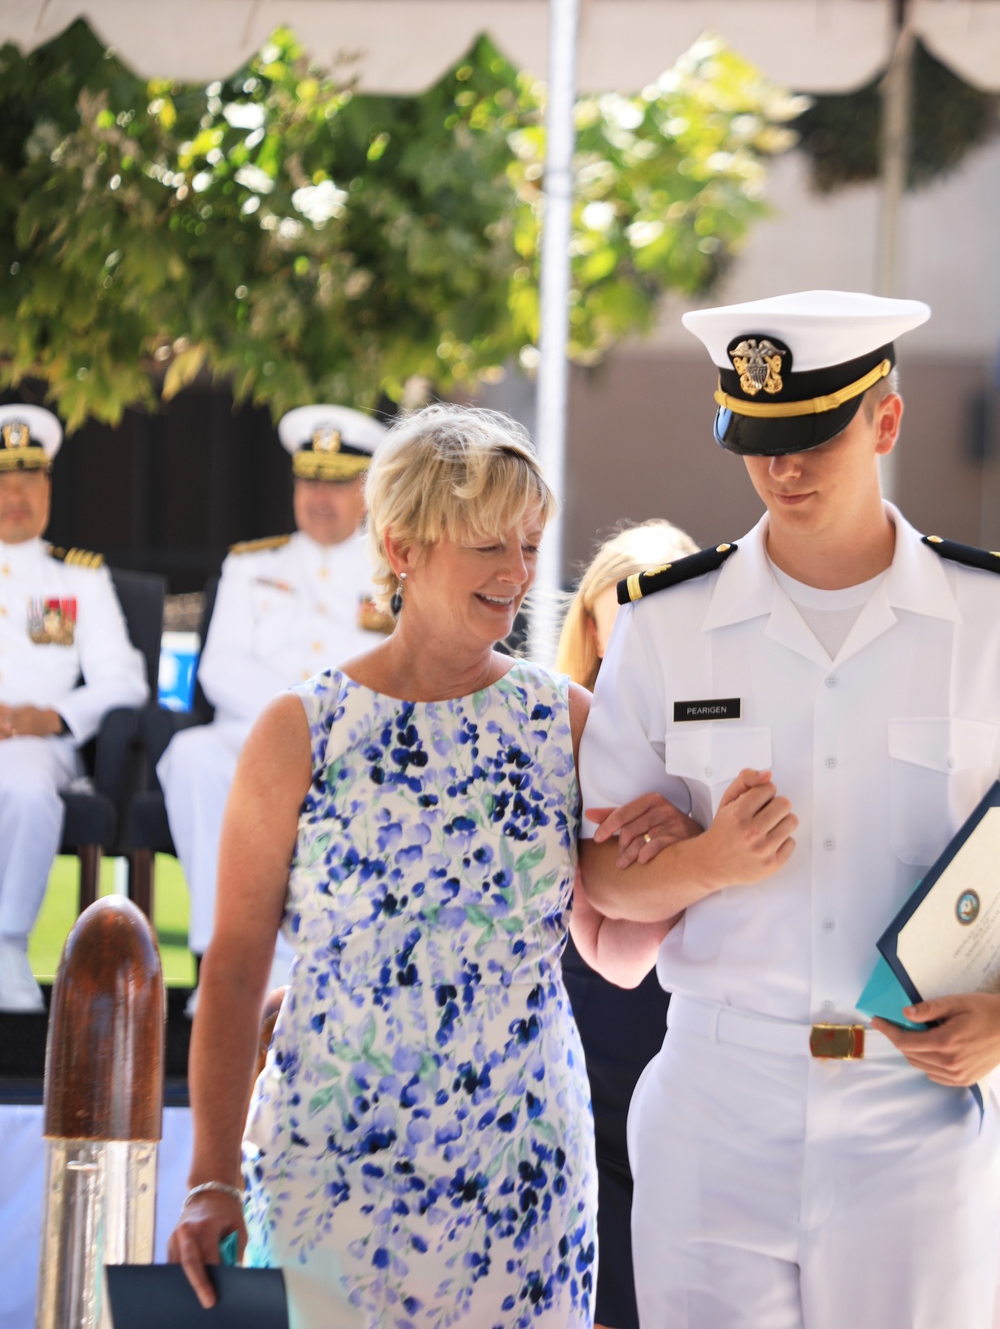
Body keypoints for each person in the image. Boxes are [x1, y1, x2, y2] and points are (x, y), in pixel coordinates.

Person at [578, 289, 1000, 1329]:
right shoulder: (667, 627)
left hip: (912, 1104)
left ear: (885, 422)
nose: (784, 469)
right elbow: (598, 879)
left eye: (813, 435)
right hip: (718, 1096)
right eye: (760, 441)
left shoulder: (985, 621)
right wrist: (709, 863)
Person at [168, 404, 602, 1327]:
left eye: (528, 545)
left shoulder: (564, 721)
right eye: (491, 543)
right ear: (401, 547)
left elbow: (623, 900)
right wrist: (209, 1175)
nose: (520, 575)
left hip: (522, 1171)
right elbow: (237, 966)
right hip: (328, 1169)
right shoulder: (300, 731)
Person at [157, 404, 386, 1003]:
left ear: (366, 489)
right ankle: (224, 958)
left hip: (347, 741)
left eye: (335, 482)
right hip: (253, 732)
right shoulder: (251, 563)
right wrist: (293, 719)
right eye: (309, 479)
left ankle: (306, 967)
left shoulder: (393, 572)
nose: (319, 495)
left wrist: (323, 727)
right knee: (190, 754)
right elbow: (219, 668)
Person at [557, 521, 698, 1329]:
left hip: (688, 1014)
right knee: (602, 1278)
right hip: (591, 1022)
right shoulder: (555, 725)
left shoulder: (733, 720)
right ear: (591, 627)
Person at [0, 404, 148, 1011]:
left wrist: (51, 716)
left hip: (39, 745)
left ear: (49, 487)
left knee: (31, 786)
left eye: (29, 480)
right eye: (4, 481)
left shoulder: (80, 579)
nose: (16, 495)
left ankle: (7, 946)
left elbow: (125, 680)